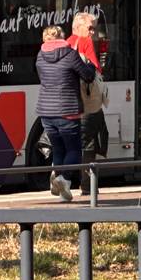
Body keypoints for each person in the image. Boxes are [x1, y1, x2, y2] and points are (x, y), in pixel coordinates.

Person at [36, 24, 96, 201]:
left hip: (46, 112)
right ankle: (63, 178)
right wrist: (90, 65)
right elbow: (88, 76)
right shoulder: (70, 55)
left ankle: (63, 191)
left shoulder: (40, 56)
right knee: (74, 150)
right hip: (67, 110)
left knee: (59, 149)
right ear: (61, 37)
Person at [67, 11, 108, 193]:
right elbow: (95, 70)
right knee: (89, 144)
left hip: (69, 101)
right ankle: (88, 186)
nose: (93, 32)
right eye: (90, 28)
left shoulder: (66, 42)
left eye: (94, 28)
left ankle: (63, 179)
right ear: (78, 28)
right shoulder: (85, 42)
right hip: (88, 103)